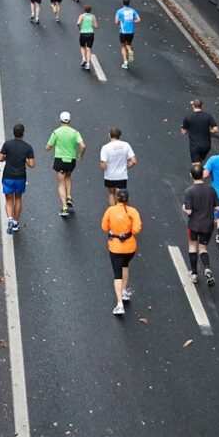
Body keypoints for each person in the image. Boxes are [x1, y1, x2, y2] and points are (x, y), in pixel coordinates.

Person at [101, 188, 142, 316]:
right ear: (128, 199)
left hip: (115, 247)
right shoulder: (133, 212)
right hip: (130, 247)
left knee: (117, 273)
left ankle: (119, 304)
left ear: (117, 198)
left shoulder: (110, 211)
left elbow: (104, 227)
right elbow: (136, 229)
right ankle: (124, 291)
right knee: (125, 265)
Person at [182, 163, 219, 287]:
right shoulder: (211, 189)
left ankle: (194, 274)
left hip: (194, 224)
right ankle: (207, 269)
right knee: (203, 248)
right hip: (208, 225)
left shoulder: (189, 191)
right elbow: (217, 207)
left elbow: (189, 211)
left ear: (191, 175)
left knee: (193, 246)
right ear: (203, 174)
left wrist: (183, 207)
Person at [45, 112, 86, 217]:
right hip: (71, 160)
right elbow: (83, 145)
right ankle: (69, 196)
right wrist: (80, 155)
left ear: (60, 120)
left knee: (61, 183)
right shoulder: (75, 132)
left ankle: (64, 208)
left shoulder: (56, 132)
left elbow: (48, 147)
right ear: (69, 120)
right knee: (68, 176)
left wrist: (53, 146)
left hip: (60, 159)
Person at [0, 123, 36, 234]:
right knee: (18, 198)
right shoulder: (27, 147)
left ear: (13, 133)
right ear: (23, 134)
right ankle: (15, 222)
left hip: (8, 176)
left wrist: (5, 158)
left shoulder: (7, 144)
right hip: (20, 177)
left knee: (9, 200)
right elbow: (32, 164)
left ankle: (9, 219)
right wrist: (26, 160)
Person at [98, 127, 137, 206]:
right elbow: (133, 161)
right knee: (120, 194)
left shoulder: (105, 147)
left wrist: (103, 166)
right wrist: (125, 167)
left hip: (110, 176)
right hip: (122, 176)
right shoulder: (126, 145)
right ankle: (121, 211)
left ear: (109, 135)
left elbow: (103, 164)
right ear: (120, 135)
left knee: (111, 193)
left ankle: (113, 211)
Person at [180, 99, 219, 166]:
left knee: (196, 166)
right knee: (200, 162)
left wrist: (189, 128)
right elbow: (216, 129)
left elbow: (183, 132)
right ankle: (200, 172)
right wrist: (208, 130)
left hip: (195, 145)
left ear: (193, 106)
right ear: (202, 106)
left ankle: (198, 175)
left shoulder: (188, 117)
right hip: (206, 145)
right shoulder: (208, 116)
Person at [114, 0, 140, 69]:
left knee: (123, 46)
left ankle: (125, 62)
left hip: (123, 31)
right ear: (129, 3)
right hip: (131, 32)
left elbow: (116, 22)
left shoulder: (119, 11)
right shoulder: (133, 11)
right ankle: (130, 50)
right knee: (128, 44)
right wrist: (132, 21)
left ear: (123, 2)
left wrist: (119, 22)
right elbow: (138, 20)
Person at [75, 4, 98, 70]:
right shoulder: (93, 16)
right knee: (88, 49)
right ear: (90, 10)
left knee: (82, 47)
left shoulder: (82, 16)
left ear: (84, 9)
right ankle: (88, 64)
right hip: (90, 33)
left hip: (83, 33)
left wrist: (80, 28)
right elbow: (96, 26)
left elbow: (78, 23)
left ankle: (84, 58)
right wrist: (92, 23)